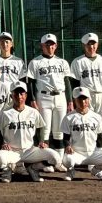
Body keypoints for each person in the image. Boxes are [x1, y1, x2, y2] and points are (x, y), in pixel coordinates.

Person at [0, 81, 64, 183]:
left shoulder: (33, 112)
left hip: (30, 150)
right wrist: (2, 143)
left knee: (56, 157)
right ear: (11, 96)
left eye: (22, 93)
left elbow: (41, 127)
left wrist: (41, 141)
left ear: (26, 95)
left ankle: (33, 168)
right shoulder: (5, 113)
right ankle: (8, 170)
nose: (19, 96)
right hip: (11, 151)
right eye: (16, 93)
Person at [60, 87, 102, 182]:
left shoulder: (96, 117)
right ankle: (70, 171)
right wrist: (67, 146)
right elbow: (65, 138)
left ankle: (97, 169)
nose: (83, 102)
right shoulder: (69, 117)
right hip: (77, 154)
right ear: (75, 100)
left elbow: (100, 137)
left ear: (89, 99)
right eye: (79, 99)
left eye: (85, 99)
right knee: (68, 160)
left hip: (93, 154)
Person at [26, 33, 72, 162]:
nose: (50, 47)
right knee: (44, 130)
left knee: (59, 131)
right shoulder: (35, 62)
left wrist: (70, 100)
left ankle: (59, 161)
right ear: (42, 46)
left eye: (52, 44)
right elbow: (31, 83)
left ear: (56, 46)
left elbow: (67, 82)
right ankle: (45, 161)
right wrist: (32, 100)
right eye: (47, 45)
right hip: (43, 97)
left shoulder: (62, 62)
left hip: (60, 96)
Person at [68, 33, 102, 131]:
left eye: (93, 43)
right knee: (88, 123)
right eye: (88, 44)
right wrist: (75, 100)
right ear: (84, 45)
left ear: (97, 44)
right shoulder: (77, 61)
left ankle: (101, 141)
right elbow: (75, 83)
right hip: (86, 96)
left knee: (101, 124)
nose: (91, 47)